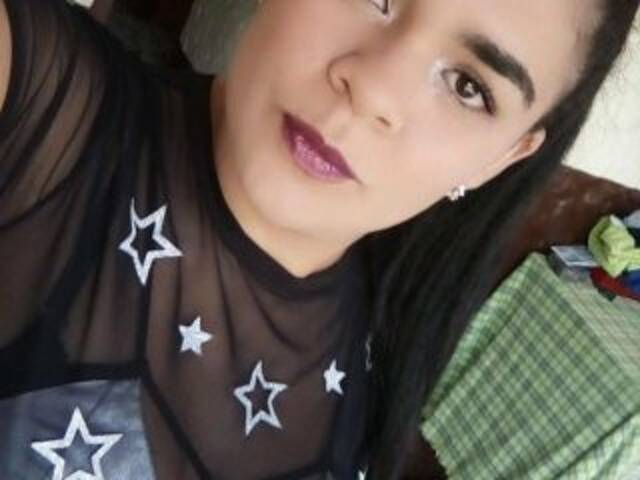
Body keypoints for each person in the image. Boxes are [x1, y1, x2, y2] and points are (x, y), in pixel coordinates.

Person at [0, 1, 637, 479]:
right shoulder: (39, 109)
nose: (373, 89)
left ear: (502, 159)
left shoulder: (385, 341)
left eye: (468, 87)